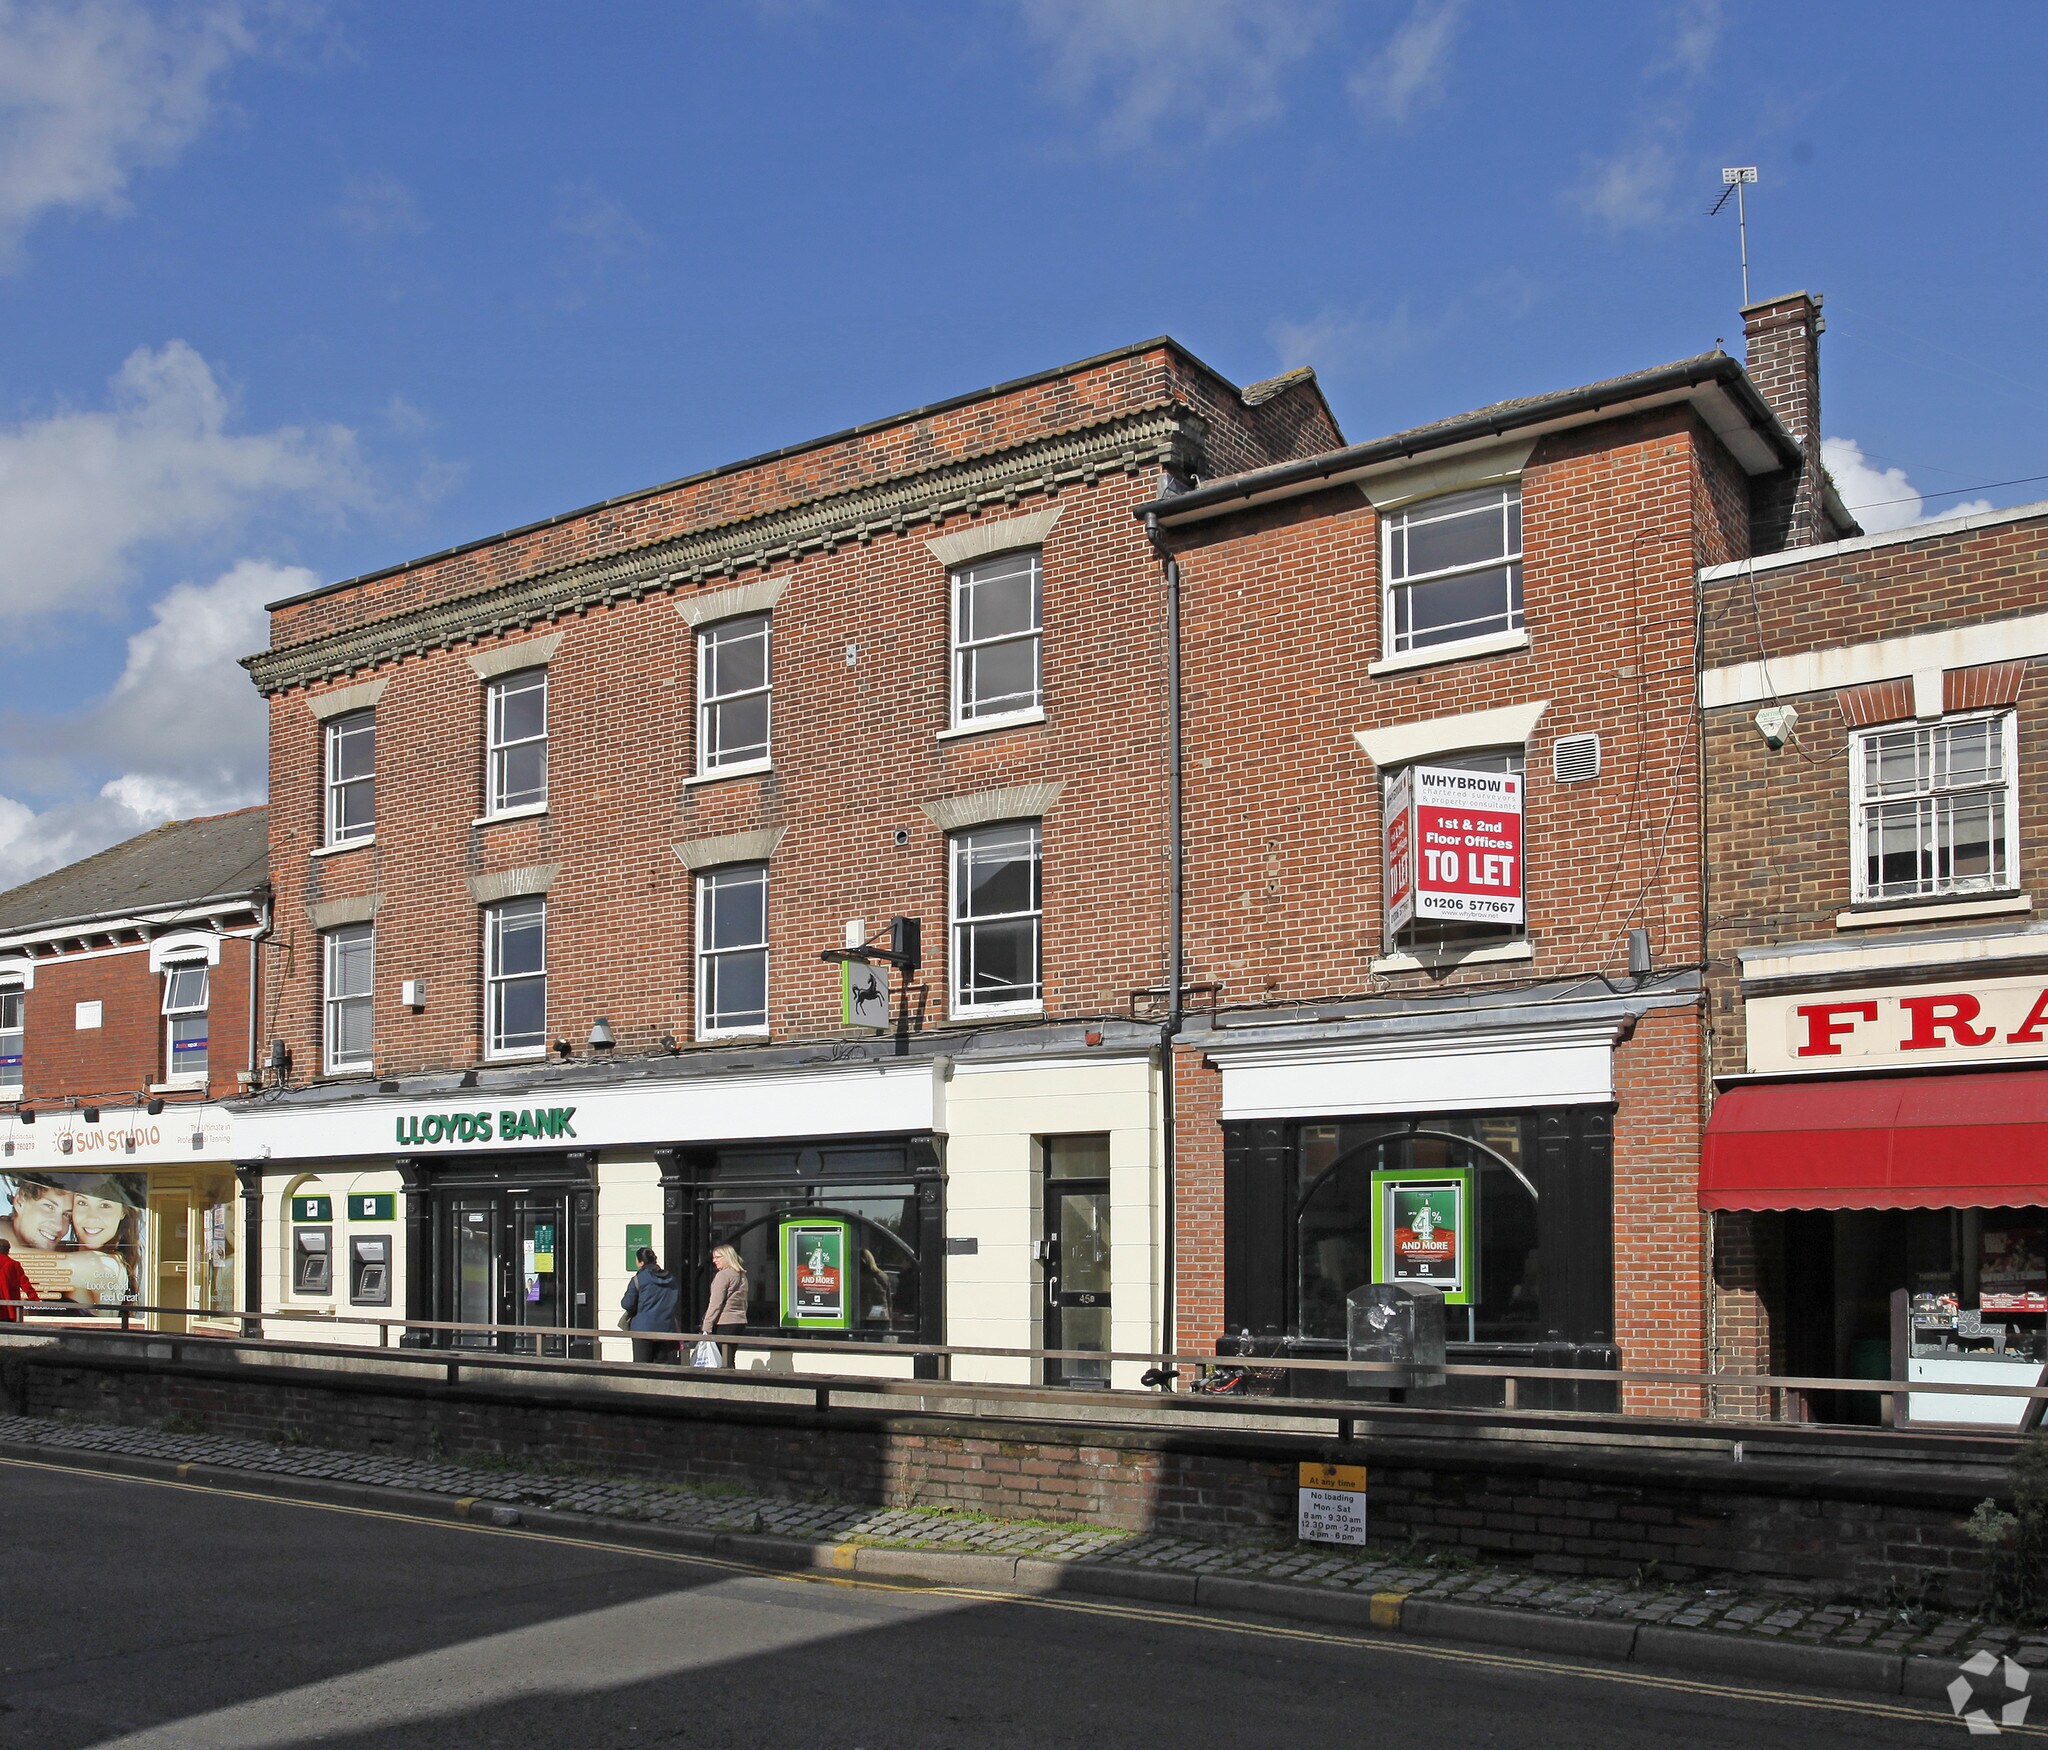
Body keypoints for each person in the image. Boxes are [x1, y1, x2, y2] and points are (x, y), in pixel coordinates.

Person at [619, 1246, 682, 1364]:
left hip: (642, 1329)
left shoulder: (638, 1279)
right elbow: (676, 1299)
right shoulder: (671, 1279)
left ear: (641, 1262)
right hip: (665, 1328)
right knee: (661, 1366)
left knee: (641, 1366)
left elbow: (627, 1303)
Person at [699, 1242, 749, 1366]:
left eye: (717, 1257)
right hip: (739, 1322)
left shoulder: (723, 1275)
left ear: (727, 1257)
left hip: (724, 1322)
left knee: (720, 1359)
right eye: (713, 1257)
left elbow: (715, 1303)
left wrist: (706, 1326)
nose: (714, 1260)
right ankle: (732, 1381)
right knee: (730, 1358)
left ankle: (724, 1383)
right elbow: (744, 1302)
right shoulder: (742, 1275)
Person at [0, 1237, 39, 1322]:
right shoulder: (14, 1265)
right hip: (9, 1309)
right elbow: (25, 1283)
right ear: (8, 1250)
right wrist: (34, 1298)